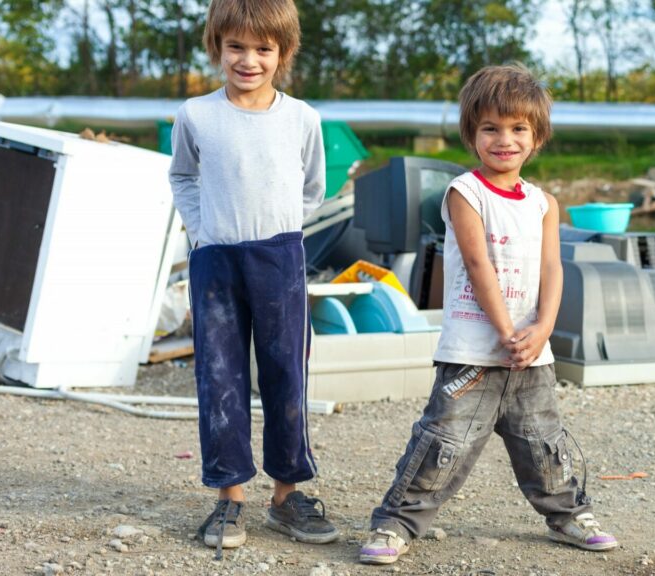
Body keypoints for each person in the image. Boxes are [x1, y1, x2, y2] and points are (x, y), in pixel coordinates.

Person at [358, 63, 618, 565]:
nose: (505, 139)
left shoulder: (544, 203)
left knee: (544, 444)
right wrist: (505, 331)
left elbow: (552, 268)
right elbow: (478, 265)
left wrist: (540, 329)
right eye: (491, 128)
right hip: (474, 353)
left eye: (519, 128)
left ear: (537, 136)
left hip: (531, 356)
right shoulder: (465, 193)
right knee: (443, 444)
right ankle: (395, 524)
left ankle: (568, 515)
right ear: (472, 135)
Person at [168, 0, 336, 559]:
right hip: (215, 258)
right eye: (236, 46)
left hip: (280, 257)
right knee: (221, 377)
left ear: (283, 53)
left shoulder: (303, 119)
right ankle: (230, 493)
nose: (249, 59)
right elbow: (183, 176)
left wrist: (280, 232)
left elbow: (312, 187)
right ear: (216, 47)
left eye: (263, 49)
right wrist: (201, 230)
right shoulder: (196, 115)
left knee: (287, 372)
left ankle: (288, 494)